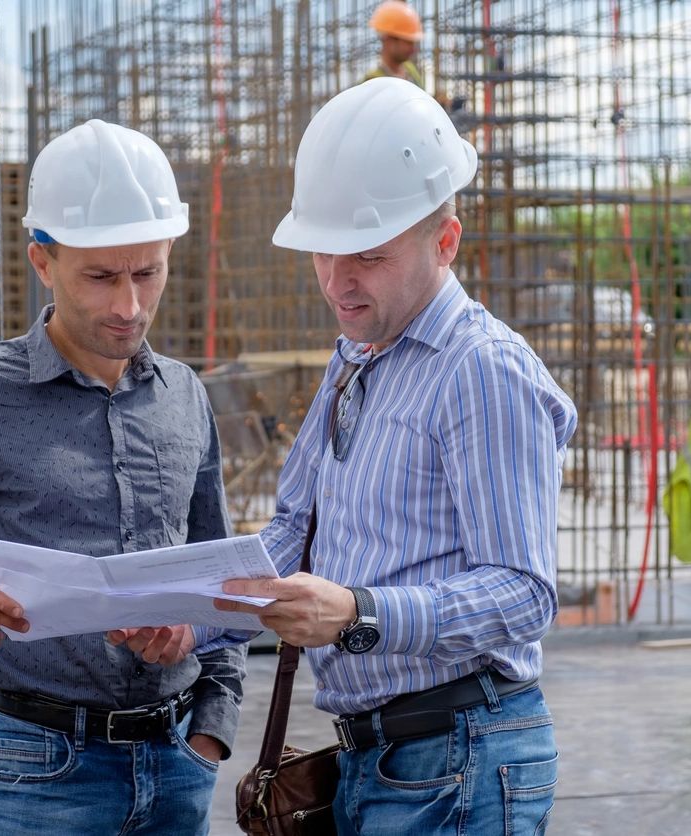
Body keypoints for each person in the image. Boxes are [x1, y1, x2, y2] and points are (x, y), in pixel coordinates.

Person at [0, 119, 246, 836]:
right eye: (100, 277)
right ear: (42, 261)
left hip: (179, 766)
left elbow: (224, 587)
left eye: (147, 272)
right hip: (38, 773)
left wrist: (211, 724)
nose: (128, 305)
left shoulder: (185, 395)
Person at [216, 78, 577, 834]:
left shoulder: (479, 369)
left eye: (369, 257)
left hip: (461, 755)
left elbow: (523, 591)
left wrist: (360, 613)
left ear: (444, 243)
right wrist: (196, 610)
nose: (339, 281)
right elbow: (295, 525)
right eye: (325, 251)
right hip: (381, 757)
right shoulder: (356, 354)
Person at [363, 1, 425, 88]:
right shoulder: (372, 82)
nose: (413, 49)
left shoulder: (411, 71)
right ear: (388, 39)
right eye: (408, 42)